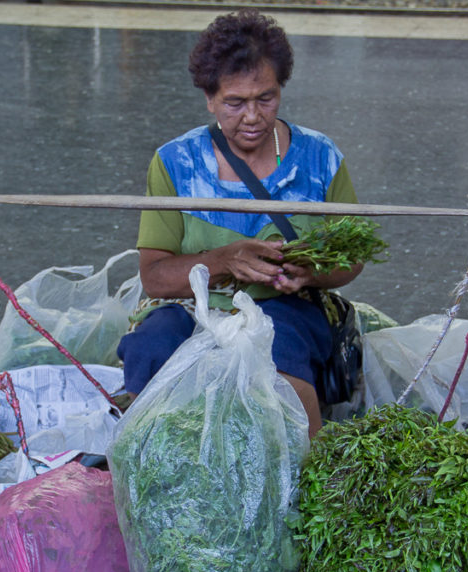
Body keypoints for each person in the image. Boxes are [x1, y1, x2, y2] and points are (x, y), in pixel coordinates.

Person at [116, 9, 362, 437]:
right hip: (195, 306)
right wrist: (225, 261)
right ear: (209, 99)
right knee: (154, 344)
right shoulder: (175, 163)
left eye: (265, 98)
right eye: (234, 103)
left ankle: (308, 471)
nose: (252, 117)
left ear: (281, 89)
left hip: (286, 306)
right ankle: (141, 457)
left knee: (278, 344)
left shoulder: (320, 158)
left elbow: (353, 258)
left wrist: (309, 273)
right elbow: (155, 277)